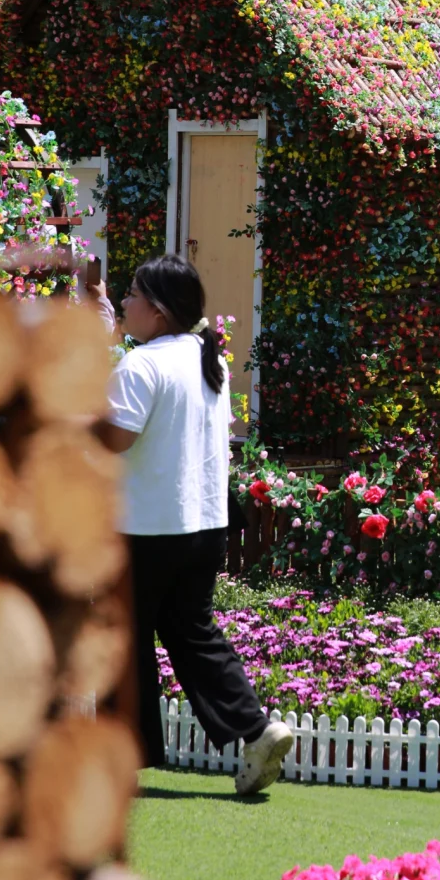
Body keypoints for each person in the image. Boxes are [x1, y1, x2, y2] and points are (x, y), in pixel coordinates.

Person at [98, 254, 292, 796]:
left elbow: (115, 439)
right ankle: (256, 729)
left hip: (144, 528)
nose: (125, 303)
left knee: (122, 636)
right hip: (203, 525)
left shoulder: (142, 365)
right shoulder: (210, 360)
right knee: (190, 631)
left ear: (157, 311)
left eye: (132, 294)